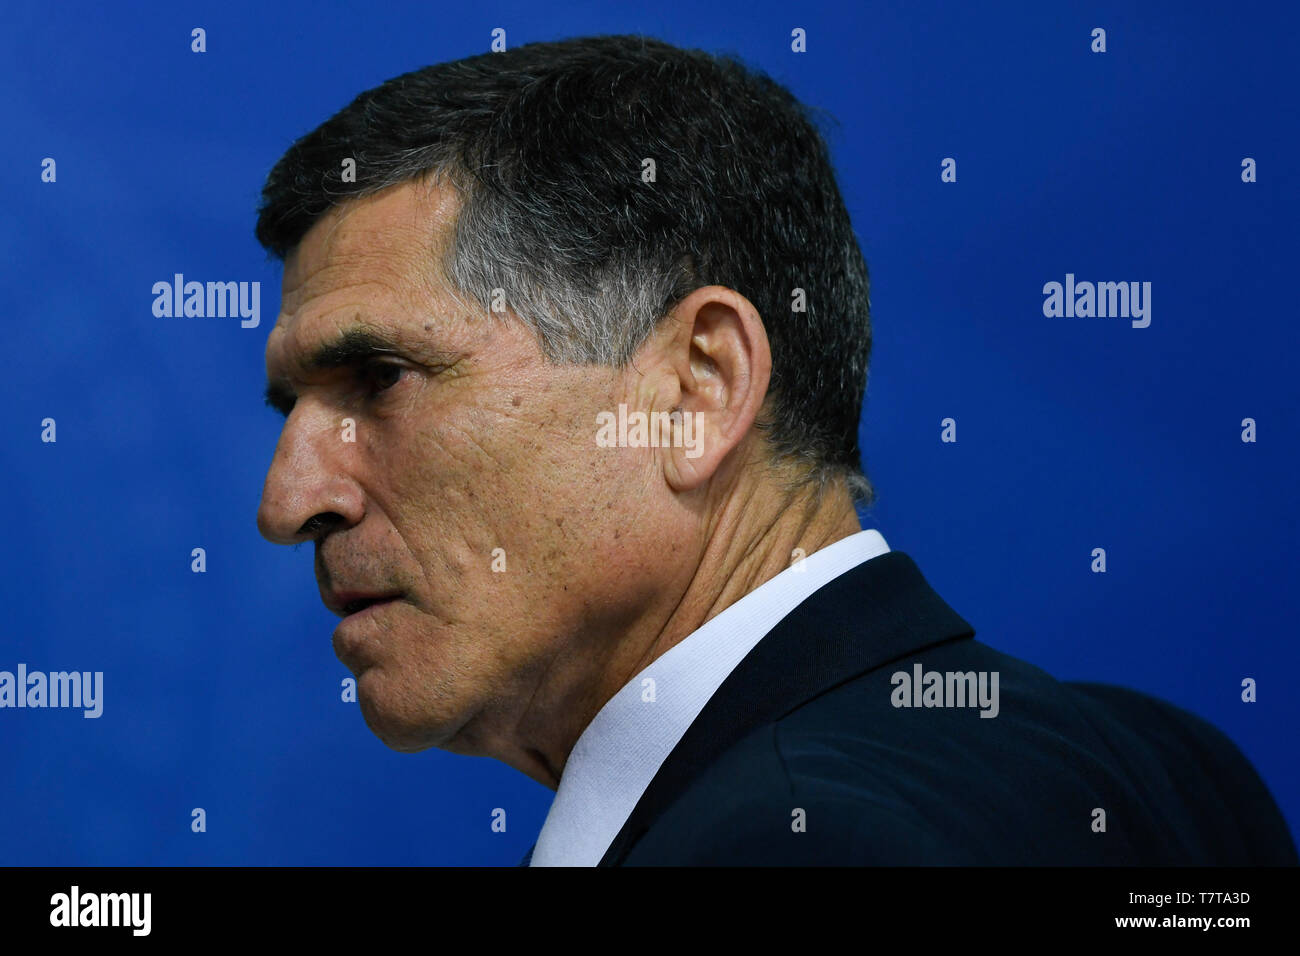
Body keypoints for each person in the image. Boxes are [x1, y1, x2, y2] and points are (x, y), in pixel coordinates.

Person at [253, 34, 1295, 865]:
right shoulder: (1168, 766)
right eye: (289, 406)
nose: (290, 497)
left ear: (695, 388)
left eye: (379, 378)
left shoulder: (796, 840)